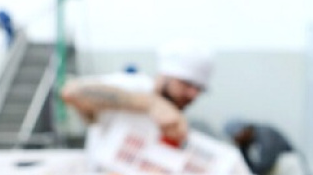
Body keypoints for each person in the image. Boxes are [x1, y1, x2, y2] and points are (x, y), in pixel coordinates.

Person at [61, 39, 213, 167]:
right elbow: (72, 92)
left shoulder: (175, 115)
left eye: (199, 89)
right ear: (165, 75)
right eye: (186, 84)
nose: (193, 94)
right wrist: (151, 104)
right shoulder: (135, 85)